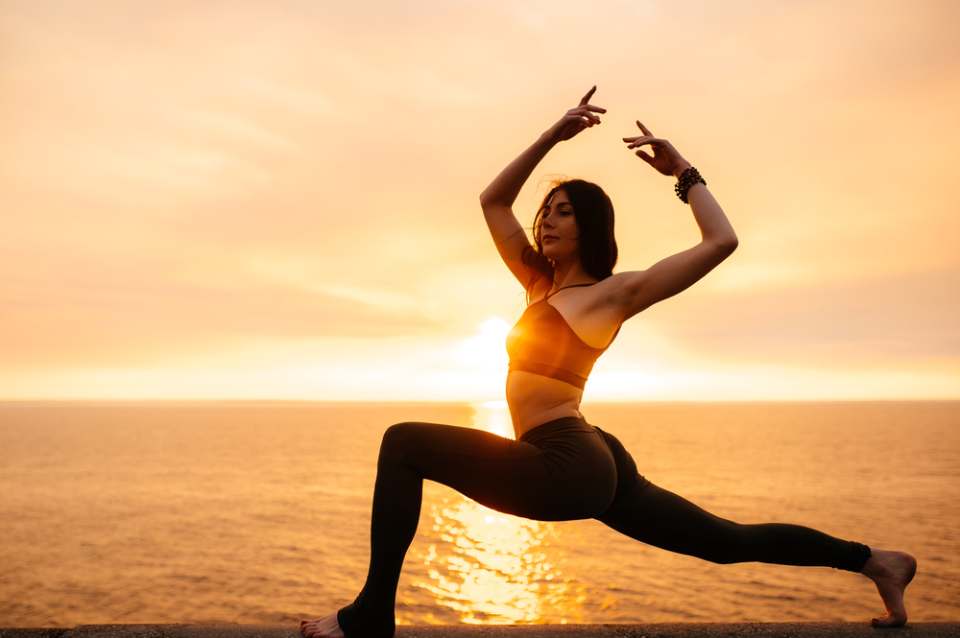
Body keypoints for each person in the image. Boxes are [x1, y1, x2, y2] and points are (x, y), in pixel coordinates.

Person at [300, 86, 916, 638]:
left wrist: (683, 173)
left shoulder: (613, 294)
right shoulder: (537, 286)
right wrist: (550, 136)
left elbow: (720, 242)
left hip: (567, 461)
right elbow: (493, 202)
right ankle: (874, 561)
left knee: (403, 442)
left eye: (564, 210)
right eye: (547, 211)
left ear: (591, 225)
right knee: (722, 541)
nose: (546, 220)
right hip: (585, 453)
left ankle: (371, 615)